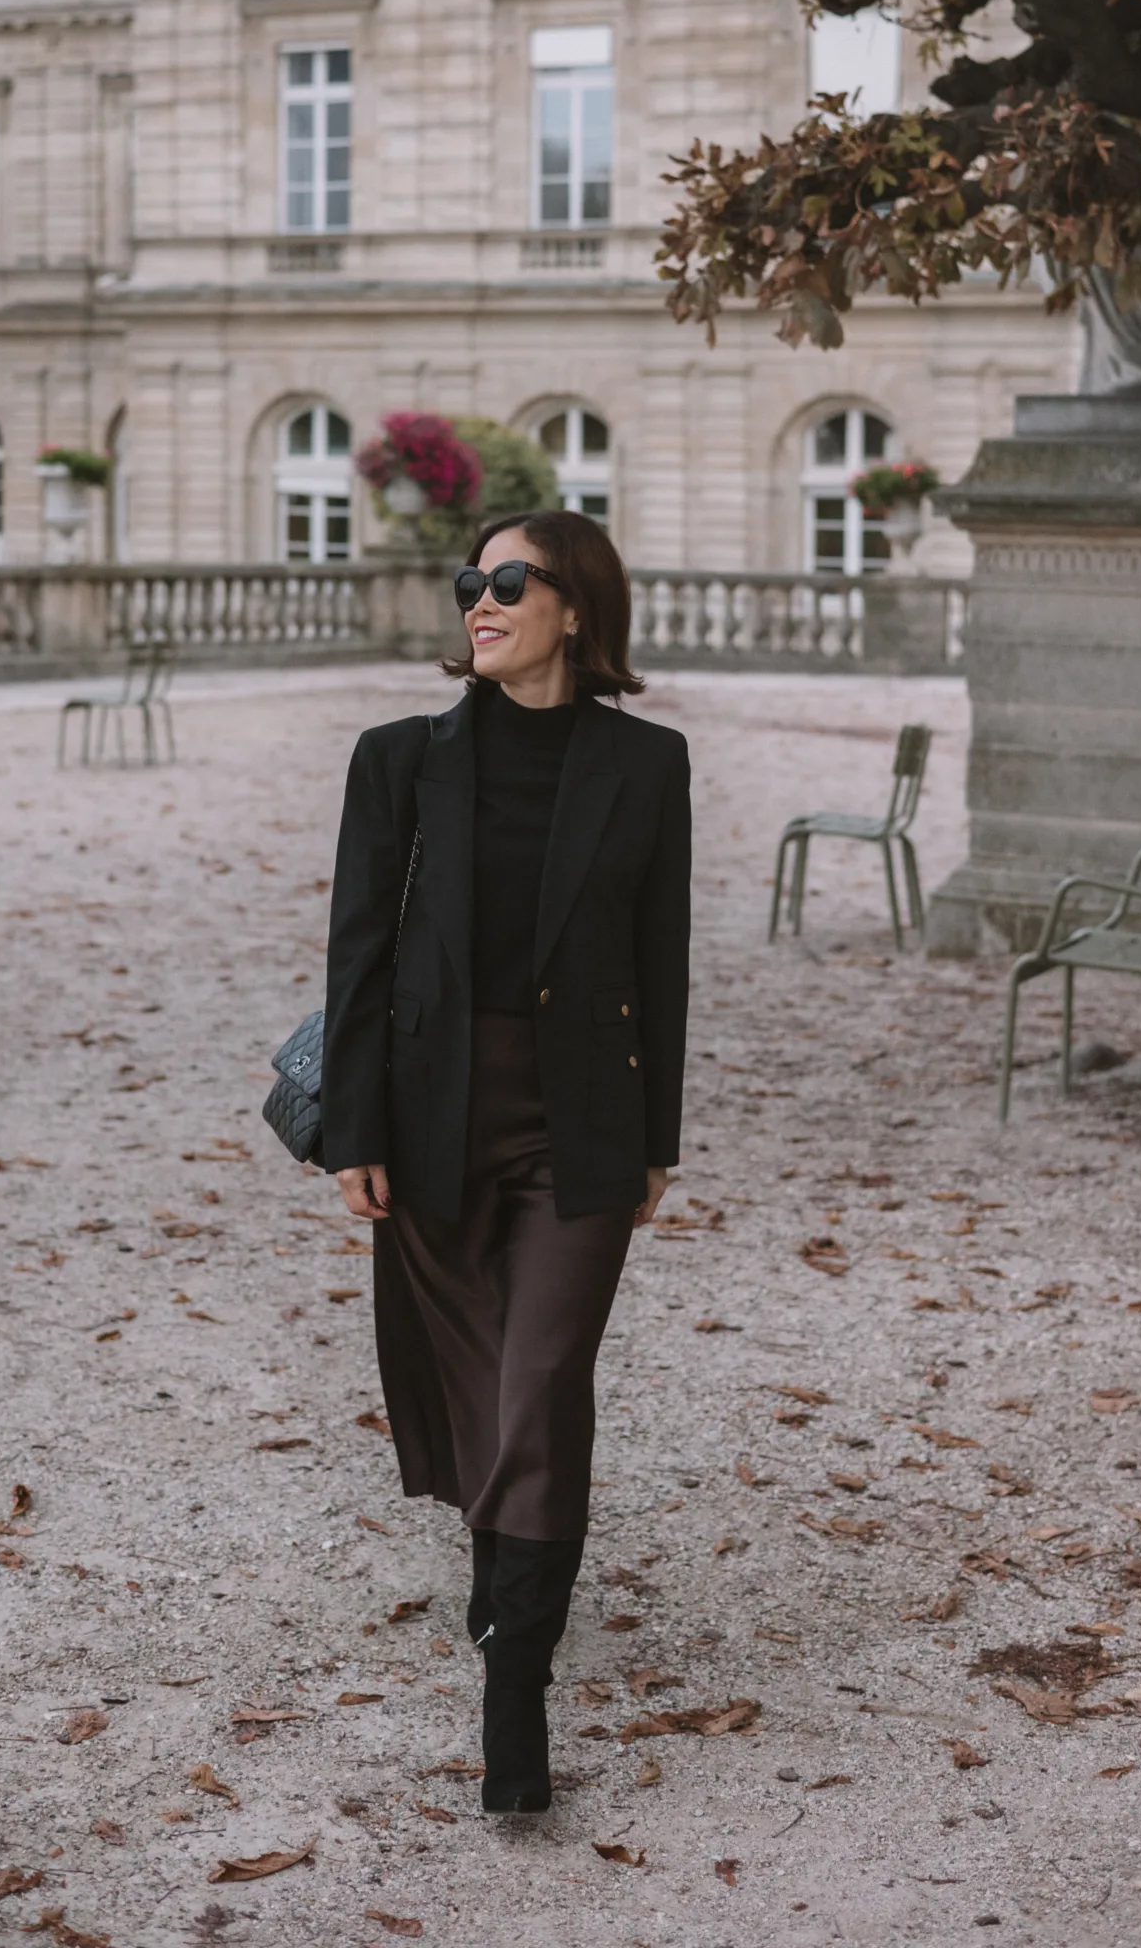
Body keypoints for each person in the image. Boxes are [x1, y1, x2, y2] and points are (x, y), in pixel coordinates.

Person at [322, 508, 691, 1815]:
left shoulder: (646, 767)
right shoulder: (397, 762)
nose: (479, 600)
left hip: (580, 1124)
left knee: (540, 1380)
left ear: (575, 608)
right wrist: (355, 1131)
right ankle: (503, 1568)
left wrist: (659, 1139)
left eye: (509, 580)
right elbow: (357, 959)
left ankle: (513, 1691)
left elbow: (661, 962)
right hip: (430, 1120)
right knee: (478, 1376)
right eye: (470, 581)